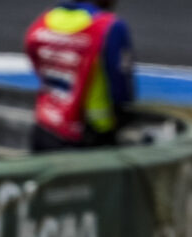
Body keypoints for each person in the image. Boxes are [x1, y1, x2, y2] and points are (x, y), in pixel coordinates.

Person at [24, 0, 134, 152]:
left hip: (45, 125)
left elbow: (36, 65)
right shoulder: (108, 27)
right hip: (90, 135)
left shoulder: (42, 23)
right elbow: (121, 88)